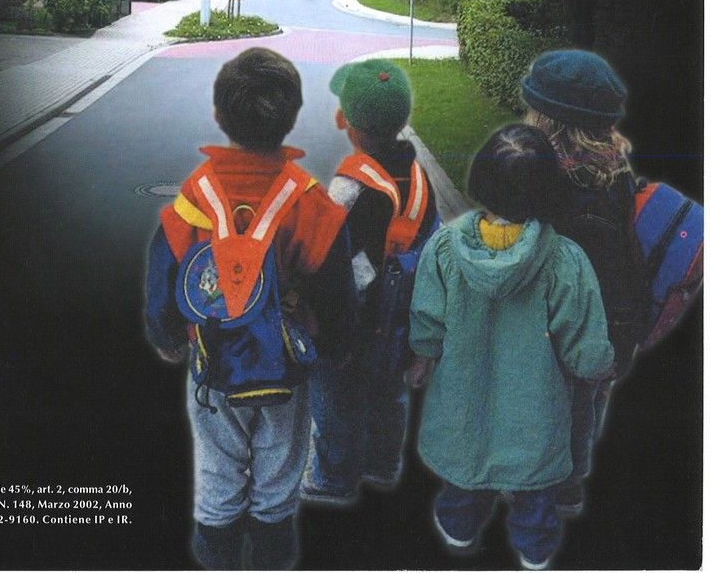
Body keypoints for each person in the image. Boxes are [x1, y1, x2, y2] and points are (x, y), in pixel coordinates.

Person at [144, 47, 355, 571]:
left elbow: (164, 274)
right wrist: (336, 346)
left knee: (218, 464)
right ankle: (271, 552)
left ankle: (216, 552)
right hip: (286, 367)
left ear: (219, 115)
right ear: (291, 118)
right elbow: (336, 289)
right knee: (280, 467)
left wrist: (167, 336)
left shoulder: (194, 196)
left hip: (212, 363)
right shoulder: (309, 201)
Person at [410, 125, 614, 571]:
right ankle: (534, 548)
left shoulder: (443, 248)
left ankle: (459, 530)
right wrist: (596, 368)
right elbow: (584, 342)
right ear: (548, 188)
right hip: (535, 414)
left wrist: (422, 358)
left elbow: (426, 319)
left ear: (481, 178)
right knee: (536, 487)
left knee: (465, 475)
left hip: (464, 405)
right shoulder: (565, 261)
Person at [301, 58, 439, 504]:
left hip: (353, 319)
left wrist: (317, 317)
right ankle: (382, 464)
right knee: (389, 393)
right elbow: (430, 247)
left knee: (337, 397)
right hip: (399, 319)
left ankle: (333, 477)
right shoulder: (421, 179)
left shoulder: (349, 186)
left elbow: (329, 258)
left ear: (350, 126)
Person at [519, 48, 648, 516]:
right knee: (585, 404)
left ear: (549, 121)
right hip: (610, 325)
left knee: (554, 410)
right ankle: (570, 484)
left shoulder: (548, 185)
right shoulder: (616, 174)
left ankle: (550, 488)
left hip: (560, 329)